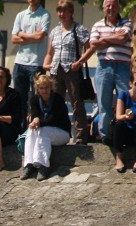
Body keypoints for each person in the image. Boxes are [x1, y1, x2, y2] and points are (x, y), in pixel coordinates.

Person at [79, 0, 132, 142]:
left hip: (123, 66)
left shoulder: (127, 23)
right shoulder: (97, 25)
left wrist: (103, 39)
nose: (111, 8)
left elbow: (122, 38)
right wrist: (113, 39)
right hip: (104, 66)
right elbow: (93, 44)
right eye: (108, 5)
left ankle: (125, 134)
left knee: (125, 100)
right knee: (104, 103)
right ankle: (105, 135)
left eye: (114, 5)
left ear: (118, 7)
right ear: (103, 8)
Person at [43, 0, 91, 143]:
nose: (61, 14)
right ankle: (58, 132)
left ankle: (81, 137)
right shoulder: (55, 31)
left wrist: (79, 62)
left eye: (64, 11)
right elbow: (50, 52)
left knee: (76, 102)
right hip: (56, 70)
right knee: (56, 102)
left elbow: (89, 49)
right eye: (59, 11)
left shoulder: (79, 29)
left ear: (71, 12)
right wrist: (46, 64)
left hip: (72, 69)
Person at [21, 73, 71, 181]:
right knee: (31, 130)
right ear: (37, 89)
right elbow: (35, 113)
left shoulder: (58, 99)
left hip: (61, 132)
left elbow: (54, 119)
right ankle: (29, 164)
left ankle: (43, 166)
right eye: (41, 88)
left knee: (43, 131)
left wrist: (39, 122)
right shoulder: (34, 100)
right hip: (44, 129)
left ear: (51, 87)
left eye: (47, 87)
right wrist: (35, 120)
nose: (44, 90)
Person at [11, 0, 51, 127]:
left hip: (36, 62)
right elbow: (13, 38)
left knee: (37, 98)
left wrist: (22, 34)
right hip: (20, 62)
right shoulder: (21, 15)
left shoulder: (45, 15)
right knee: (19, 99)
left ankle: (35, 126)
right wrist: (32, 37)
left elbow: (40, 38)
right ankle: (20, 130)